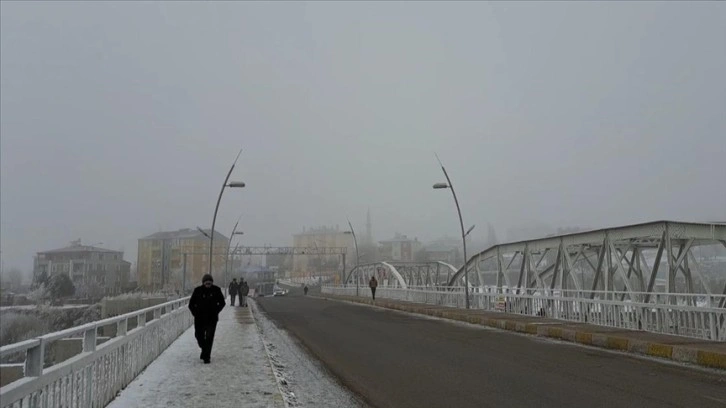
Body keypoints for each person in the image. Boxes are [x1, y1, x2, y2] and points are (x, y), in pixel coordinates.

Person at [189, 274, 225, 364]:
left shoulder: (216, 290)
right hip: (199, 319)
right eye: (206, 283)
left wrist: (216, 310)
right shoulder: (198, 291)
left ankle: (206, 357)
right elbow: (191, 304)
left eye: (210, 283)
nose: (208, 285)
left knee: (209, 338)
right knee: (199, 336)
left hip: (211, 319)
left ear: (212, 283)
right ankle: (204, 350)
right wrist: (195, 313)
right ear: (203, 283)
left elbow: (222, 302)